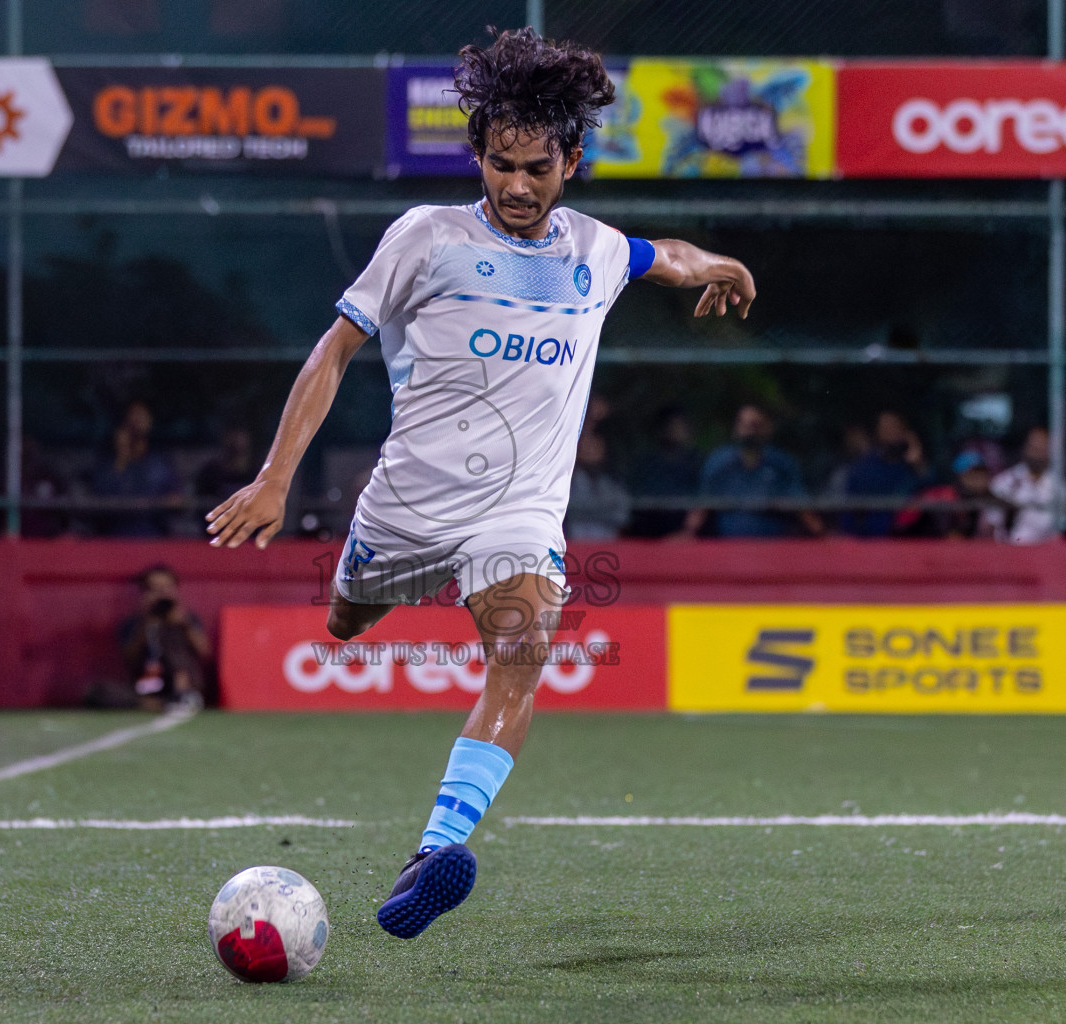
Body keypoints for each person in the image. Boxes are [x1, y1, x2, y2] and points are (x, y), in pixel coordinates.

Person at [205, 27, 756, 940]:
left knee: (525, 647)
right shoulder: (428, 236)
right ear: (478, 155)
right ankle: (363, 593)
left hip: (517, 514)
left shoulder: (595, 250)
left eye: (537, 167)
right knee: (345, 621)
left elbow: (667, 255)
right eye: (500, 164)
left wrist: (724, 266)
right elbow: (335, 348)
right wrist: (273, 478)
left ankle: (435, 849)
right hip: (408, 507)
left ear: (571, 161)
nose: (516, 185)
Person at [684, 404, 822, 538]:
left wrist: (823, 536)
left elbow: (801, 506)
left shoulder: (782, 464)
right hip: (729, 549)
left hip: (773, 549)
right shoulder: (718, 463)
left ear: (767, 428)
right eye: (743, 425)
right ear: (735, 429)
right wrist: (686, 535)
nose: (749, 431)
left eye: (755, 425)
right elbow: (701, 507)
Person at [118, 564, 210, 710]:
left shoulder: (186, 619)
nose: (161, 594)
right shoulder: (135, 622)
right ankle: (160, 703)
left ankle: (181, 694)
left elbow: (204, 651)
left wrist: (183, 624)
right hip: (148, 684)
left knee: (171, 636)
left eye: (166, 588)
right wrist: (147, 623)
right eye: (154, 589)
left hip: (181, 680)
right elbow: (129, 658)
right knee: (100, 693)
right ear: (144, 593)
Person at [91, 400, 181, 537]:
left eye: (143, 415)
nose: (138, 420)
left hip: (153, 533)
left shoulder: (160, 461)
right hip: (114, 535)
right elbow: (101, 496)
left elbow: (175, 498)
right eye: (134, 415)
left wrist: (159, 504)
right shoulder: (107, 462)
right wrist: (121, 457)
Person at [839, 411, 930, 537]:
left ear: (904, 431)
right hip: (873, 538)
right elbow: (851, 505)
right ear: (877, 432)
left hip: (911, 538)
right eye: (885, 427)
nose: (890, 431)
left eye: (894, 426)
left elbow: (932, 493)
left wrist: (918, 463)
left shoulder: (913, 465)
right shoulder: (863, 467)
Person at [625, 406, 702, 538]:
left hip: (686, 527)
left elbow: (703, 498)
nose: (675, 430)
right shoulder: (648, 463)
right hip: (652, 528)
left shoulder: (696, 461)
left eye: (680, 426)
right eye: (671, 425)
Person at [894, 450, 1005, 539]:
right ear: (960, 477)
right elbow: (950, 536)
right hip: (918, 547)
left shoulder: (988, 498)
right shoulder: (945, 496)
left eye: (982, 474)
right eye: (972, 474)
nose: (979, 479)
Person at [989, 426, 1066, 543]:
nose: (1037, 453)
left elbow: (1061, 528)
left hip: (1045, 553)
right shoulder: (1003, 482)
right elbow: (992, 524)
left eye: (1042, 448)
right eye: (1034, 447)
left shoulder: (1061, 486)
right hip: (1009, 551)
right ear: (1025, 447)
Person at [564, 430, 632, 540]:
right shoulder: (565, 480)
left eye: (595, 446)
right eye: (586, 446)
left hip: (608, 545)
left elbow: (622, 515)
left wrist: (584, 512)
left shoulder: (614, 480)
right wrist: (603, 510)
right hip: (573, 543)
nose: (590, 451)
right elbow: (566, 511)